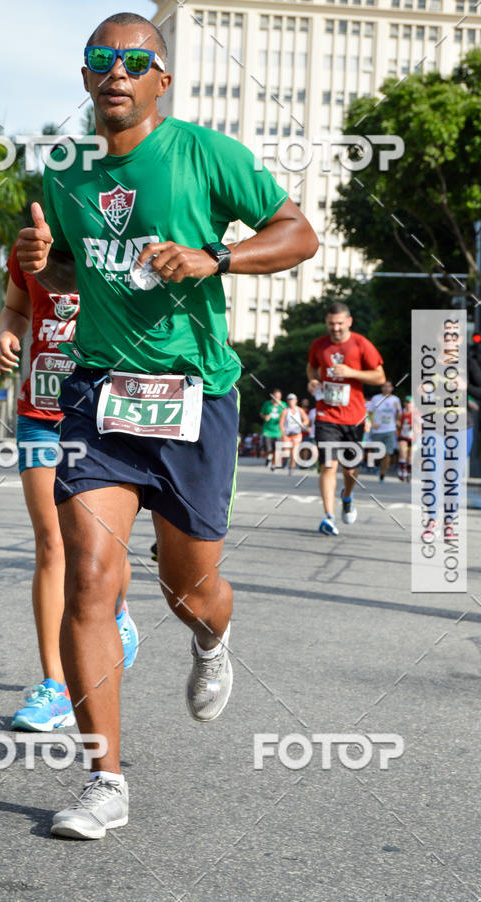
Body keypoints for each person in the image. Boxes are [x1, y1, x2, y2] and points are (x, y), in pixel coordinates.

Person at [16, 12, 318, 839]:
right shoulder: (64, 172)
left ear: (162, 79)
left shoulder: (207, 155)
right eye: (100, 58)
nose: (115, 71)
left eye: (133, 60)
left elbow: (299, 234)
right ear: (85, 76)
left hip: (194, 395)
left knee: (189, 589)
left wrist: (215, 258)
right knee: (89, 578)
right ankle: (103, 780)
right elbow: (78, 265)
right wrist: (44, 265)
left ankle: (212, 639)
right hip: (99, 393)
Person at [0, 246, 139, 731]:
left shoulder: (115, 244)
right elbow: (15, 308)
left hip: (103, 415)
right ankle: (56, 686)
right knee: (52, 543)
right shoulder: (28, 251)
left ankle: (115, 610)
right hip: (41, 414)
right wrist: (7, 334)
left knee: (104, 547)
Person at [307, 301, 385, 535]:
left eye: (340, 323)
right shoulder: (319, 345)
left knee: (350, 470)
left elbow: (380, 377)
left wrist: (352, 372)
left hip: (354, 417)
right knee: (328, 465)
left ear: (349, 321)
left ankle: (347, 495)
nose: (336, 328)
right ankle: (328, 517)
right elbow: (311, 367)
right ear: (326, 323)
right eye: (331, 323)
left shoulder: (361, 344)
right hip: (326, 414)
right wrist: (313, 381)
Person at [367, 380, 402, 482]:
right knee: (379, 454)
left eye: (389, 386)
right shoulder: (376, 398)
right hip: (378, 430)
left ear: (392, 388)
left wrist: (397, 410)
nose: (387, 388)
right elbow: (369, 412)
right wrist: (373, 423)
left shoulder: (396, 399)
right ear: (381, 388)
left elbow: (399, 417)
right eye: (384, 386)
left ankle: (382, 473)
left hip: (390, 429)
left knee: (388, 453)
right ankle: (377, 466)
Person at [279, 394, 309, 474]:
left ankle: (291, 467)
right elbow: (281, 423)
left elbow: (306, 420)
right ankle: (284, 461)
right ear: (287, 401)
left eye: (293, 400)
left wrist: (302, 424)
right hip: (287, 434)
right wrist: (283, 434)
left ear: (296, 401)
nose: (291, 401)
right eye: (290, 400)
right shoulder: (285, 411)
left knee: (294, 452)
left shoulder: (300, 410)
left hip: (297, 434)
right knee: (286, 452)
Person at [259, 389, 286, 470]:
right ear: (272, 396)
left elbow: (286, 416)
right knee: (268, 448)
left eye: (278, 397)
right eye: (275, 397)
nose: (276, 398)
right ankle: (269, 457)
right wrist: (265, 417)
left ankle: (273, 464)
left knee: (276, 449)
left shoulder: (283, 405)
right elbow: (261, 413)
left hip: (278, 431)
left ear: (280, 397)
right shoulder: (267, 404)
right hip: (267, 431)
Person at [397, 395, 419, 482]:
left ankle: (409, 472)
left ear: (413, 404)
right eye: (407, 403)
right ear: (404, 403)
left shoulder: (416, 413)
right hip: (403, 435)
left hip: (412, 436)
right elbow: (398, 422)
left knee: (410, 456)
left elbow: (420, 426)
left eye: (410, 403)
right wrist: (398, 424)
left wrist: (415, 428)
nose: (408, 404)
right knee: (403, 451)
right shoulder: (401, 412)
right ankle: (403, 471)